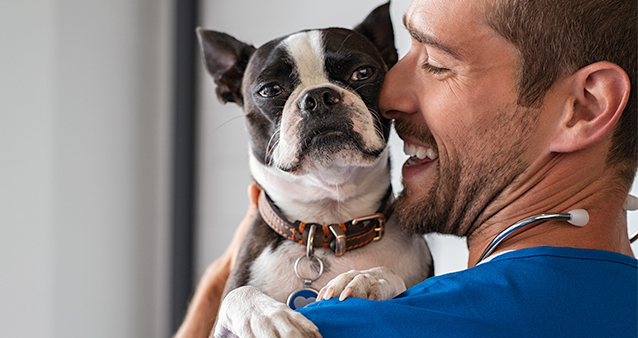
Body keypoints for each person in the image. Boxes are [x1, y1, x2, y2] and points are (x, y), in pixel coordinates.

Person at [176, 0, 637, 336]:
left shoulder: (333, 326)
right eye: (404, 54)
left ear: (583, 108)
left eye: (436, 63)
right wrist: (227, 277)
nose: (388, 95)